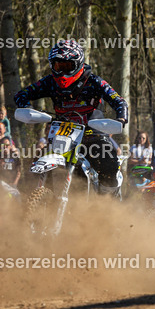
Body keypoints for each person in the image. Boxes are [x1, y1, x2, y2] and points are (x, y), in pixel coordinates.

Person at [14, 39, 128, 195]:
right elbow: (21, 95)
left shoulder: (94, 81)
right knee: (37, 159)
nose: (62, 72)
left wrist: (121, 119)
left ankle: (108, 200)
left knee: (109, 163)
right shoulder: (50, 82)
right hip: (63, 133)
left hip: (92, 132)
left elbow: (119, 101)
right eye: (58, 66)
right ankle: (38, 199)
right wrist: (27, 108)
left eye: (67, 66)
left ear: (78, 64)